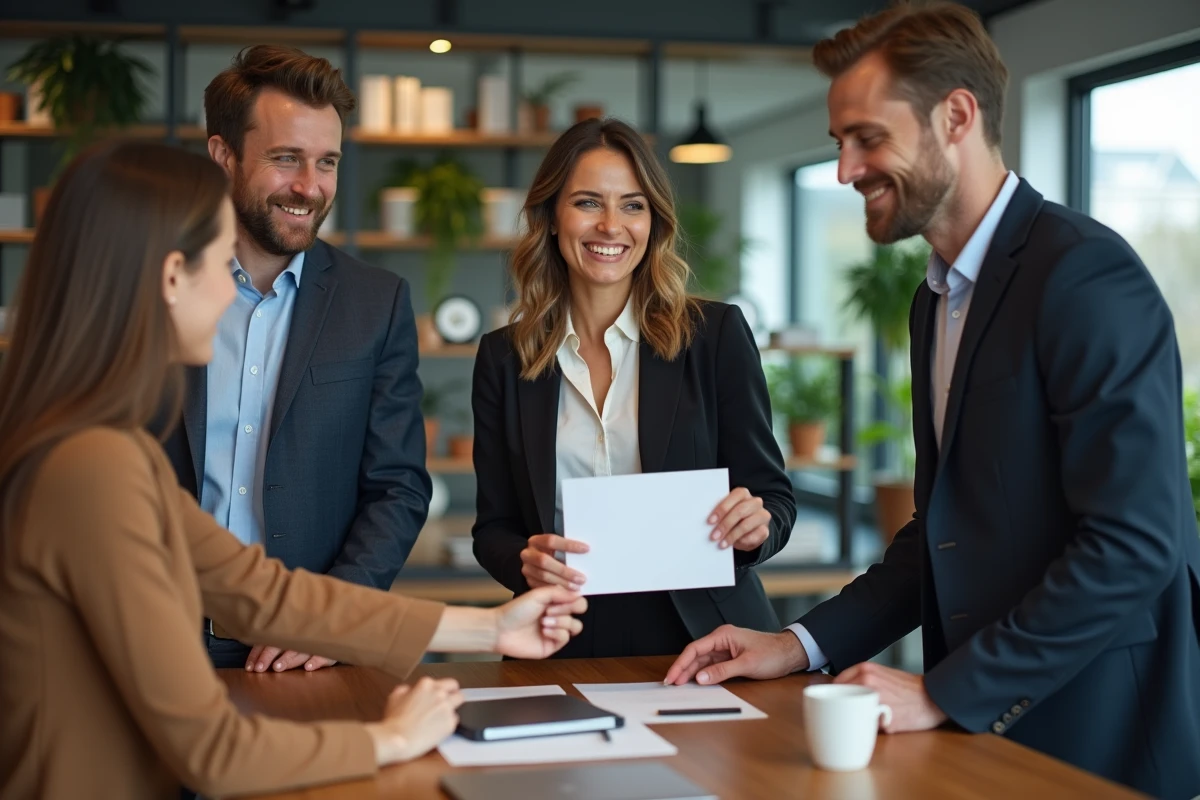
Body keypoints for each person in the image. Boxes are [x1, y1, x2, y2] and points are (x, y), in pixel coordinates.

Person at [663, 4, 1200, 798]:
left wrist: (946, 690)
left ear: (956, 116)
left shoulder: (1083, 275)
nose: (845, 170)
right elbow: (945, 531)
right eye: (838, 144)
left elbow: (1133, 542)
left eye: (868, 138)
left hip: (1100, 736)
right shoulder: (936, 301)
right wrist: (798, 644)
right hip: (988, 738)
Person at [0, 140, 587, 800]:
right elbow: (212, 750)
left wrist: (487, 627)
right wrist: (391, 737)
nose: (233, 286)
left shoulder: (103, 447)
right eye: (220, 261)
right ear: (171, 277)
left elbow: (259, 590)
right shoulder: (91, 469)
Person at [470, 117, 796, 659]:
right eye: (588, 203)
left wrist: (757, 525)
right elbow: (494, 527)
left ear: (654, 222)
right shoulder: (505, 357)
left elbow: (774, 498)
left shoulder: (713, 336)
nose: (611, 226)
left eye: (633, 205)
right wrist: (522, 559)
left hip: (709, 639)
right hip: (560, 638)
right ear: (552, 216)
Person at [159, 45, 431, 673]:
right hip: (150, 634)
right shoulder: (156, 282)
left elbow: (398, 486)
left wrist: (333, 618)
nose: (310, 187)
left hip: (303, 653)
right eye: (286, 159)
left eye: (327, 162)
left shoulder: (377, 302)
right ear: (223, 155)